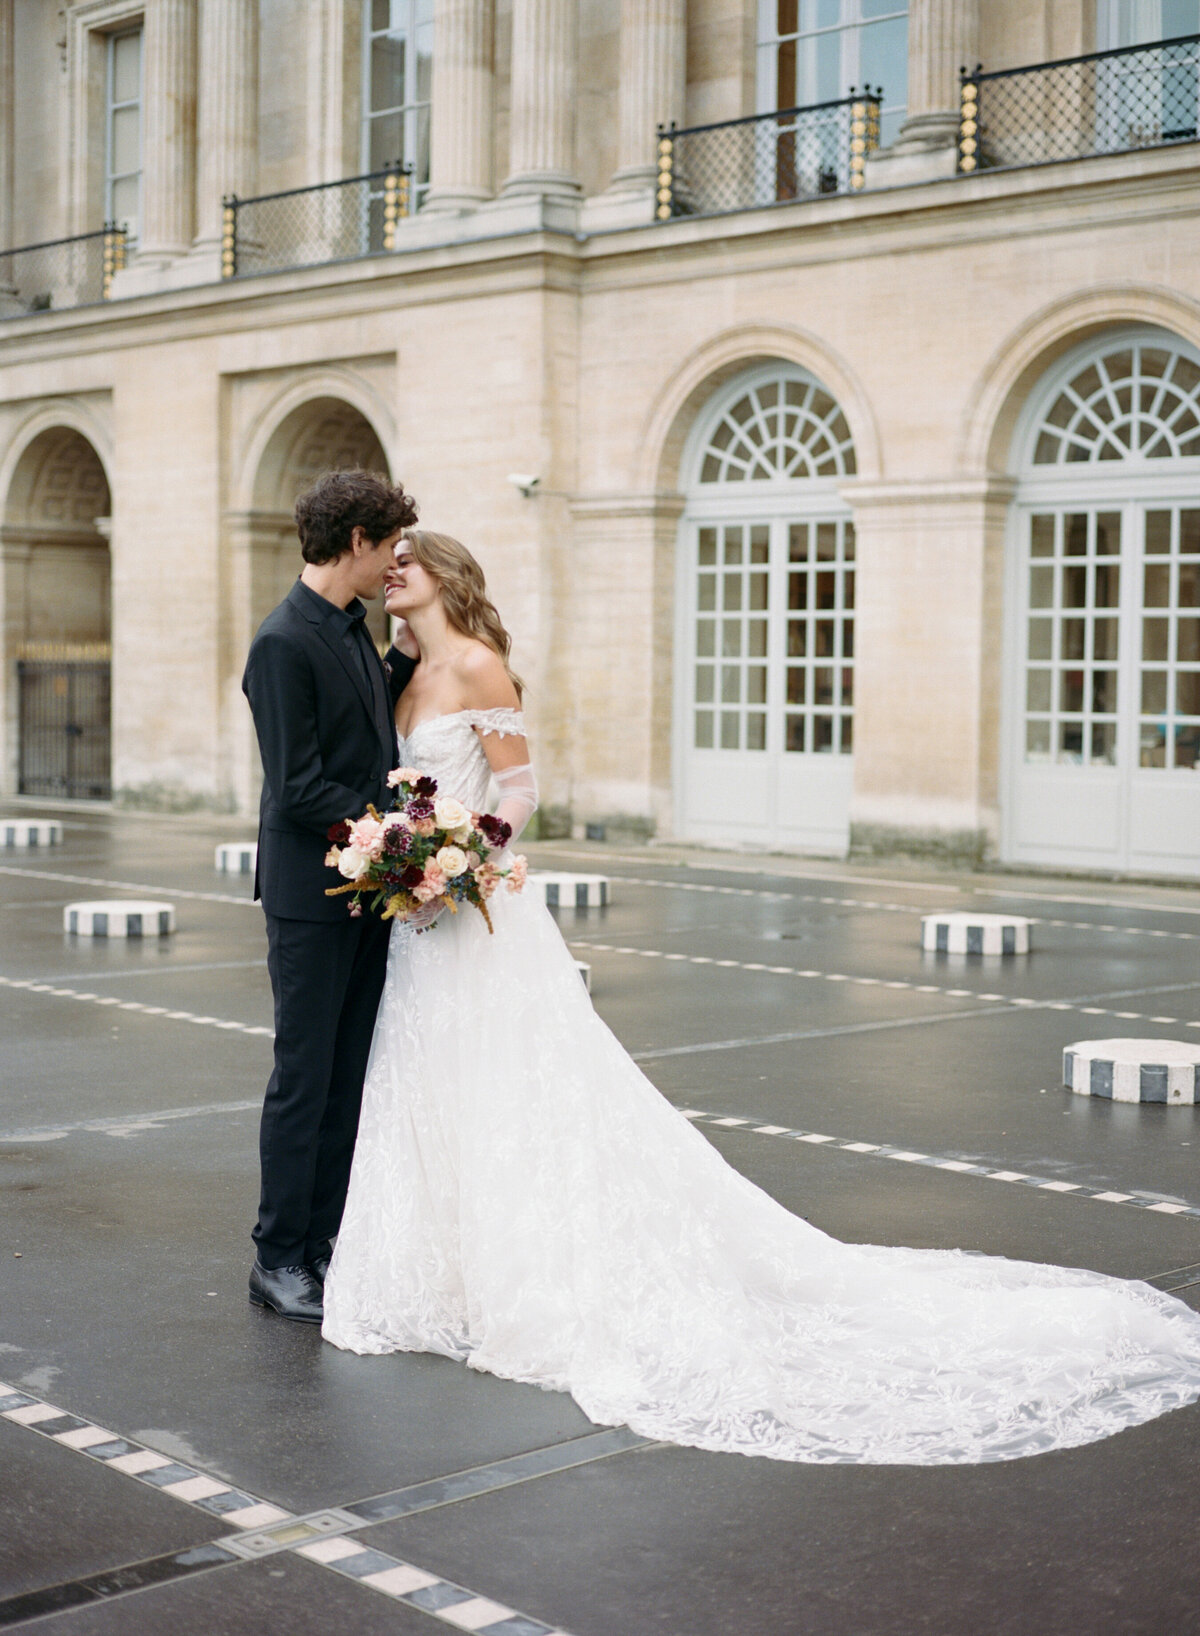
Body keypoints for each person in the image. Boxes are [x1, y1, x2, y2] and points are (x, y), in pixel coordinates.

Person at [322, 529, 1200, 1464]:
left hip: (477, 909)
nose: (394, 571)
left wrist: (461, 863)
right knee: (434, 1081)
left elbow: (523, 790)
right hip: (421, 922)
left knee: (513, 1081)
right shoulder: (400, 666)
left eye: (409, 561)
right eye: (390, 563)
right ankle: (449, 1277)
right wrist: (407, 860)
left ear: (447, 576)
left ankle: (523, 1282)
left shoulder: (476, 665)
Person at [241, 469, 419, 1323]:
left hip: (366, 890)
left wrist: (398, 663)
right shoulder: (281, 641)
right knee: (304, 1078)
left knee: (348, 1075)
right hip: (312, 896)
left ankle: (322, 1243)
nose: (392, 563)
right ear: (355, 541)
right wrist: (394, 837)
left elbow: (360, 729)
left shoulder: (350, 629)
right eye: (387, 546)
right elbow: (298, 787)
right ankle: (276, 1258)